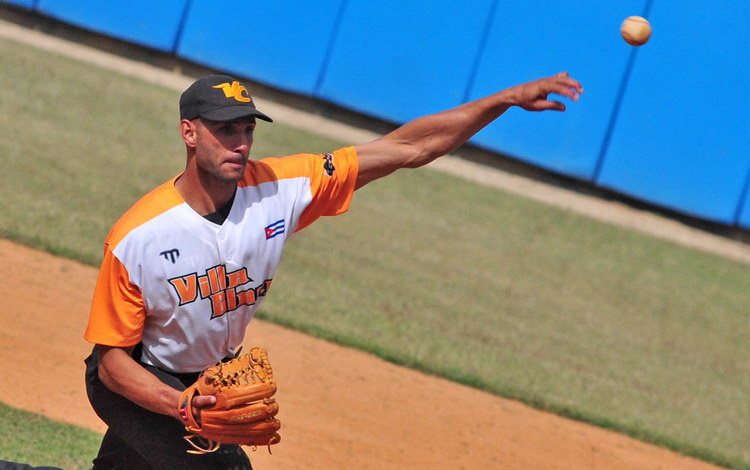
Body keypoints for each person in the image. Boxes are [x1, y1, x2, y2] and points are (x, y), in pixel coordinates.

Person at [84, 72, 582, 469]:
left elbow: (410, 148)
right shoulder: (139, 236)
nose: (240, 143)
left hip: (209, 383)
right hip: (140, 384)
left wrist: (506, 99)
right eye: (225, 129)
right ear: (189, 132)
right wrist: (182, 408)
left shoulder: (282, 188)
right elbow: (110, 364)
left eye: (247, 129)